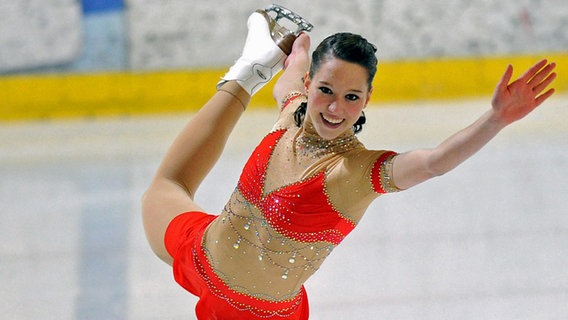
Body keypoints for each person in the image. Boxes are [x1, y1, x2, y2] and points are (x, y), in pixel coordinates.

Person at [141, 6, 557, 320]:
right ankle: (248, 72)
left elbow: (433, 162)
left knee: (172, 185)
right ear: (310, 85)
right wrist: (297, 45)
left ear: (366, 100)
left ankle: (250, 72)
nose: (336, 108)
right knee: (167, 187)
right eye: (325, 90)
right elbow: (290, 78)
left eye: (352, 97)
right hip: (201, 254)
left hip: (260, 313)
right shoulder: (292, 113)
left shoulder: (355, 173)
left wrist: (497, 118)